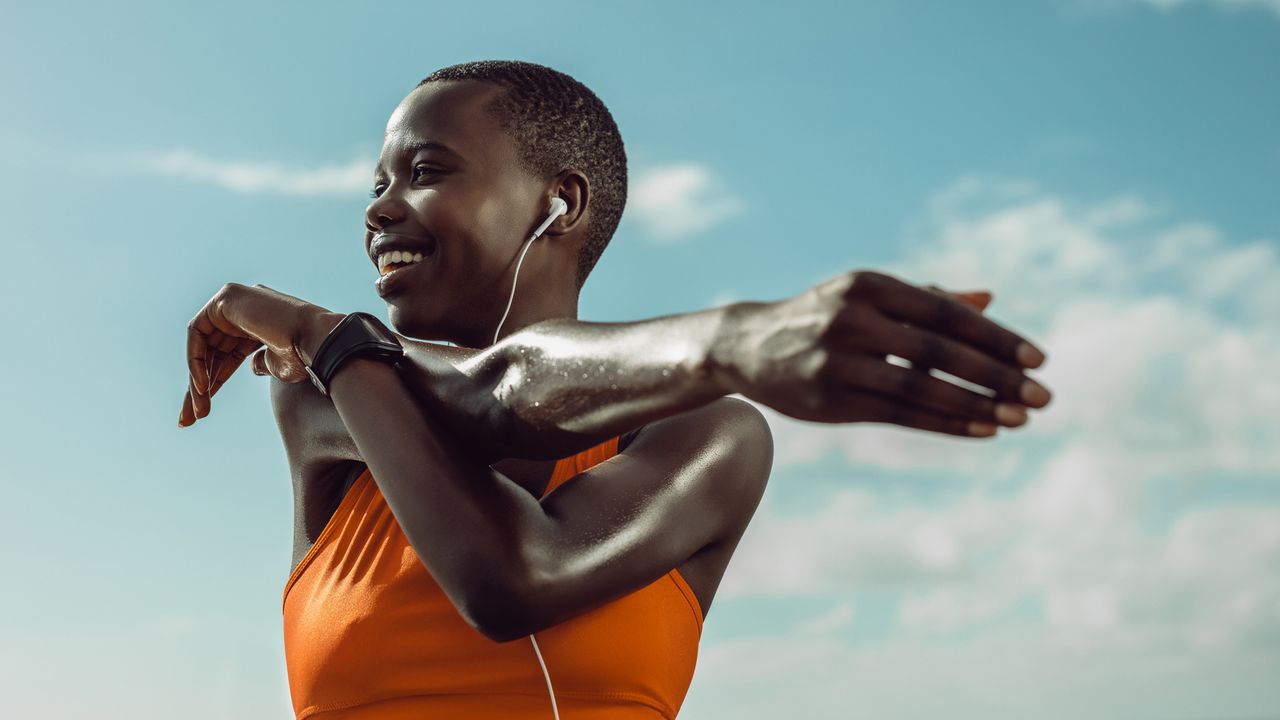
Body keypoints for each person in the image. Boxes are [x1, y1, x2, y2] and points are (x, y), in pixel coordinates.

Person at [178, 60, 1052, 720]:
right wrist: (737, 339)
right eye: (376, 183)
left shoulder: (708, 437)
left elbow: (517, 574)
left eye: (427, 171)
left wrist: (732, 347)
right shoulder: (325, 394)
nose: (378, 207)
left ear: (560, 203)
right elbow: (483, 396)